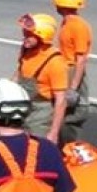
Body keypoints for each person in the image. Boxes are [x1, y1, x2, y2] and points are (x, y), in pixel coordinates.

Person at [13, 13, 69, 145]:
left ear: (42, 36)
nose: (25, 38)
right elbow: (19, 72)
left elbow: (61, 100)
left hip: (42, 114)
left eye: (29, 35)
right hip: (23, 109)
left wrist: (53, 132)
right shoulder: (26, 50)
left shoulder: (55, 62)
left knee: (37, 150)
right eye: (25, 33)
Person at [51, 0, 92, 143]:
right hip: (65, 70)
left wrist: (73, 88)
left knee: (72, 116)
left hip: (72, 71)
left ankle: (70, 147)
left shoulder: (78, 26)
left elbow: (81, 59)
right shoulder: (67, 23)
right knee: (60, 112)